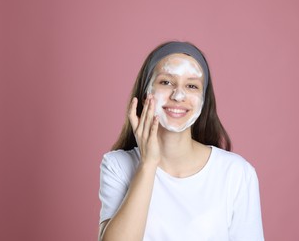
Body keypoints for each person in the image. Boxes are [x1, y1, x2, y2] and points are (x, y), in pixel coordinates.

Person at [98, 41, 264, 241]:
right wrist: (148, 164)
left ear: (203, 101)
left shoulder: (237, 173)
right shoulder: (117, 165)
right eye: (166, 82)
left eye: (191, 86)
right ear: (145, 95)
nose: (178, 95)